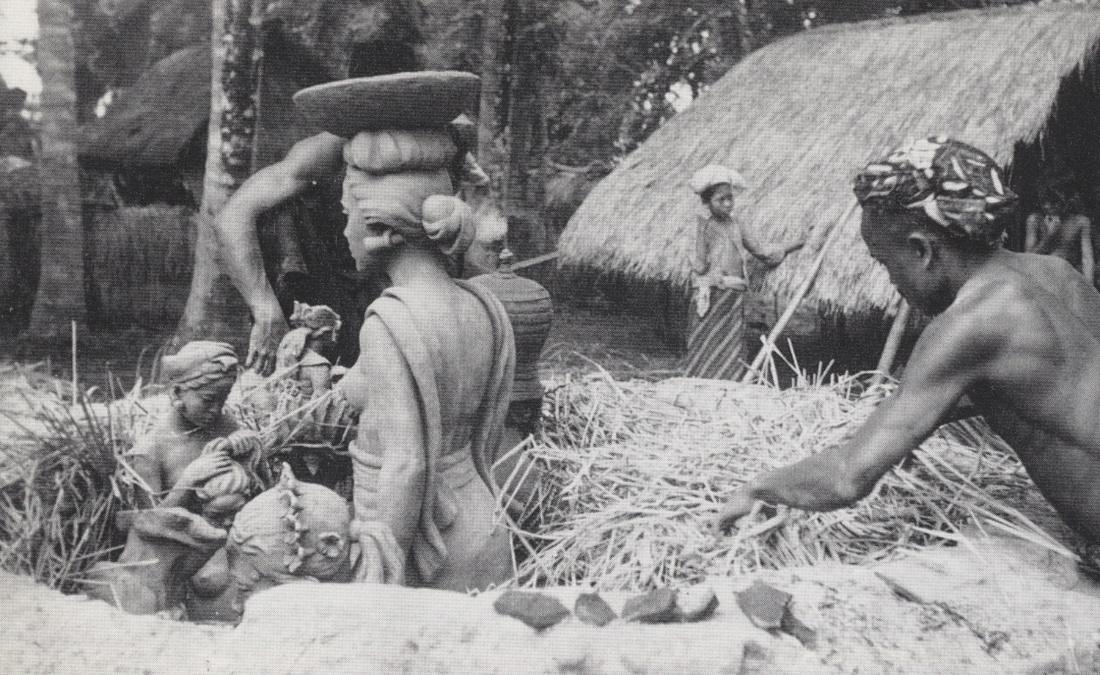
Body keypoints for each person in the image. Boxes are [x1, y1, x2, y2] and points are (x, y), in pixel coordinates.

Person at [713, 137, 1100, 547]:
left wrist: (758, 488)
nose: (892, 282)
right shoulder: (1056, 274)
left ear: (921, 251)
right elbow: (1057, 390)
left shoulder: (970, 324)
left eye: (885, 263)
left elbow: (848, 476)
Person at [332, 121, 515, 590]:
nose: (344, 231)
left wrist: (377, 575)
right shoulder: (484, 305)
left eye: (347, 215)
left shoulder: (390, 322)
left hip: (422, 548)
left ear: (381, 229)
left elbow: (407, 465)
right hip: (484, 524)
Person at [216, 130, 503, 376]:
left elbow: (472, 222)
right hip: (330, 280)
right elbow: (233, 217)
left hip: (411, 277)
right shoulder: (330, 149)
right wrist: (265, 309)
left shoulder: (445, 145)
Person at [683, 165, 803, 380]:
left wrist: (793, 245)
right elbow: (700, 266)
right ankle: (700, 385)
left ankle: (728, 384)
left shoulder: (738, 224)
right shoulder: (704, 225)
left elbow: (763, 252)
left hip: (732, 294)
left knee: (730, 344)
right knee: (707, 344)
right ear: (707, 202)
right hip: (711, 294)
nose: (728, 204)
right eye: (721, 199)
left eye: (730, 198)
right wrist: (701, 228)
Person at [1025, 194, 1094, 283]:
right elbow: (1028, 257)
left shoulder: (1080, 222)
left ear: (1066, 202)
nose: (1049, 206)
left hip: (1069, 275)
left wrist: (1090, 288)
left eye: (1054, 202)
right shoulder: (1035, 220)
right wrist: (1050, 236)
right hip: (1041, 275)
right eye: (1045, 202)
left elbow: (1087, 259)